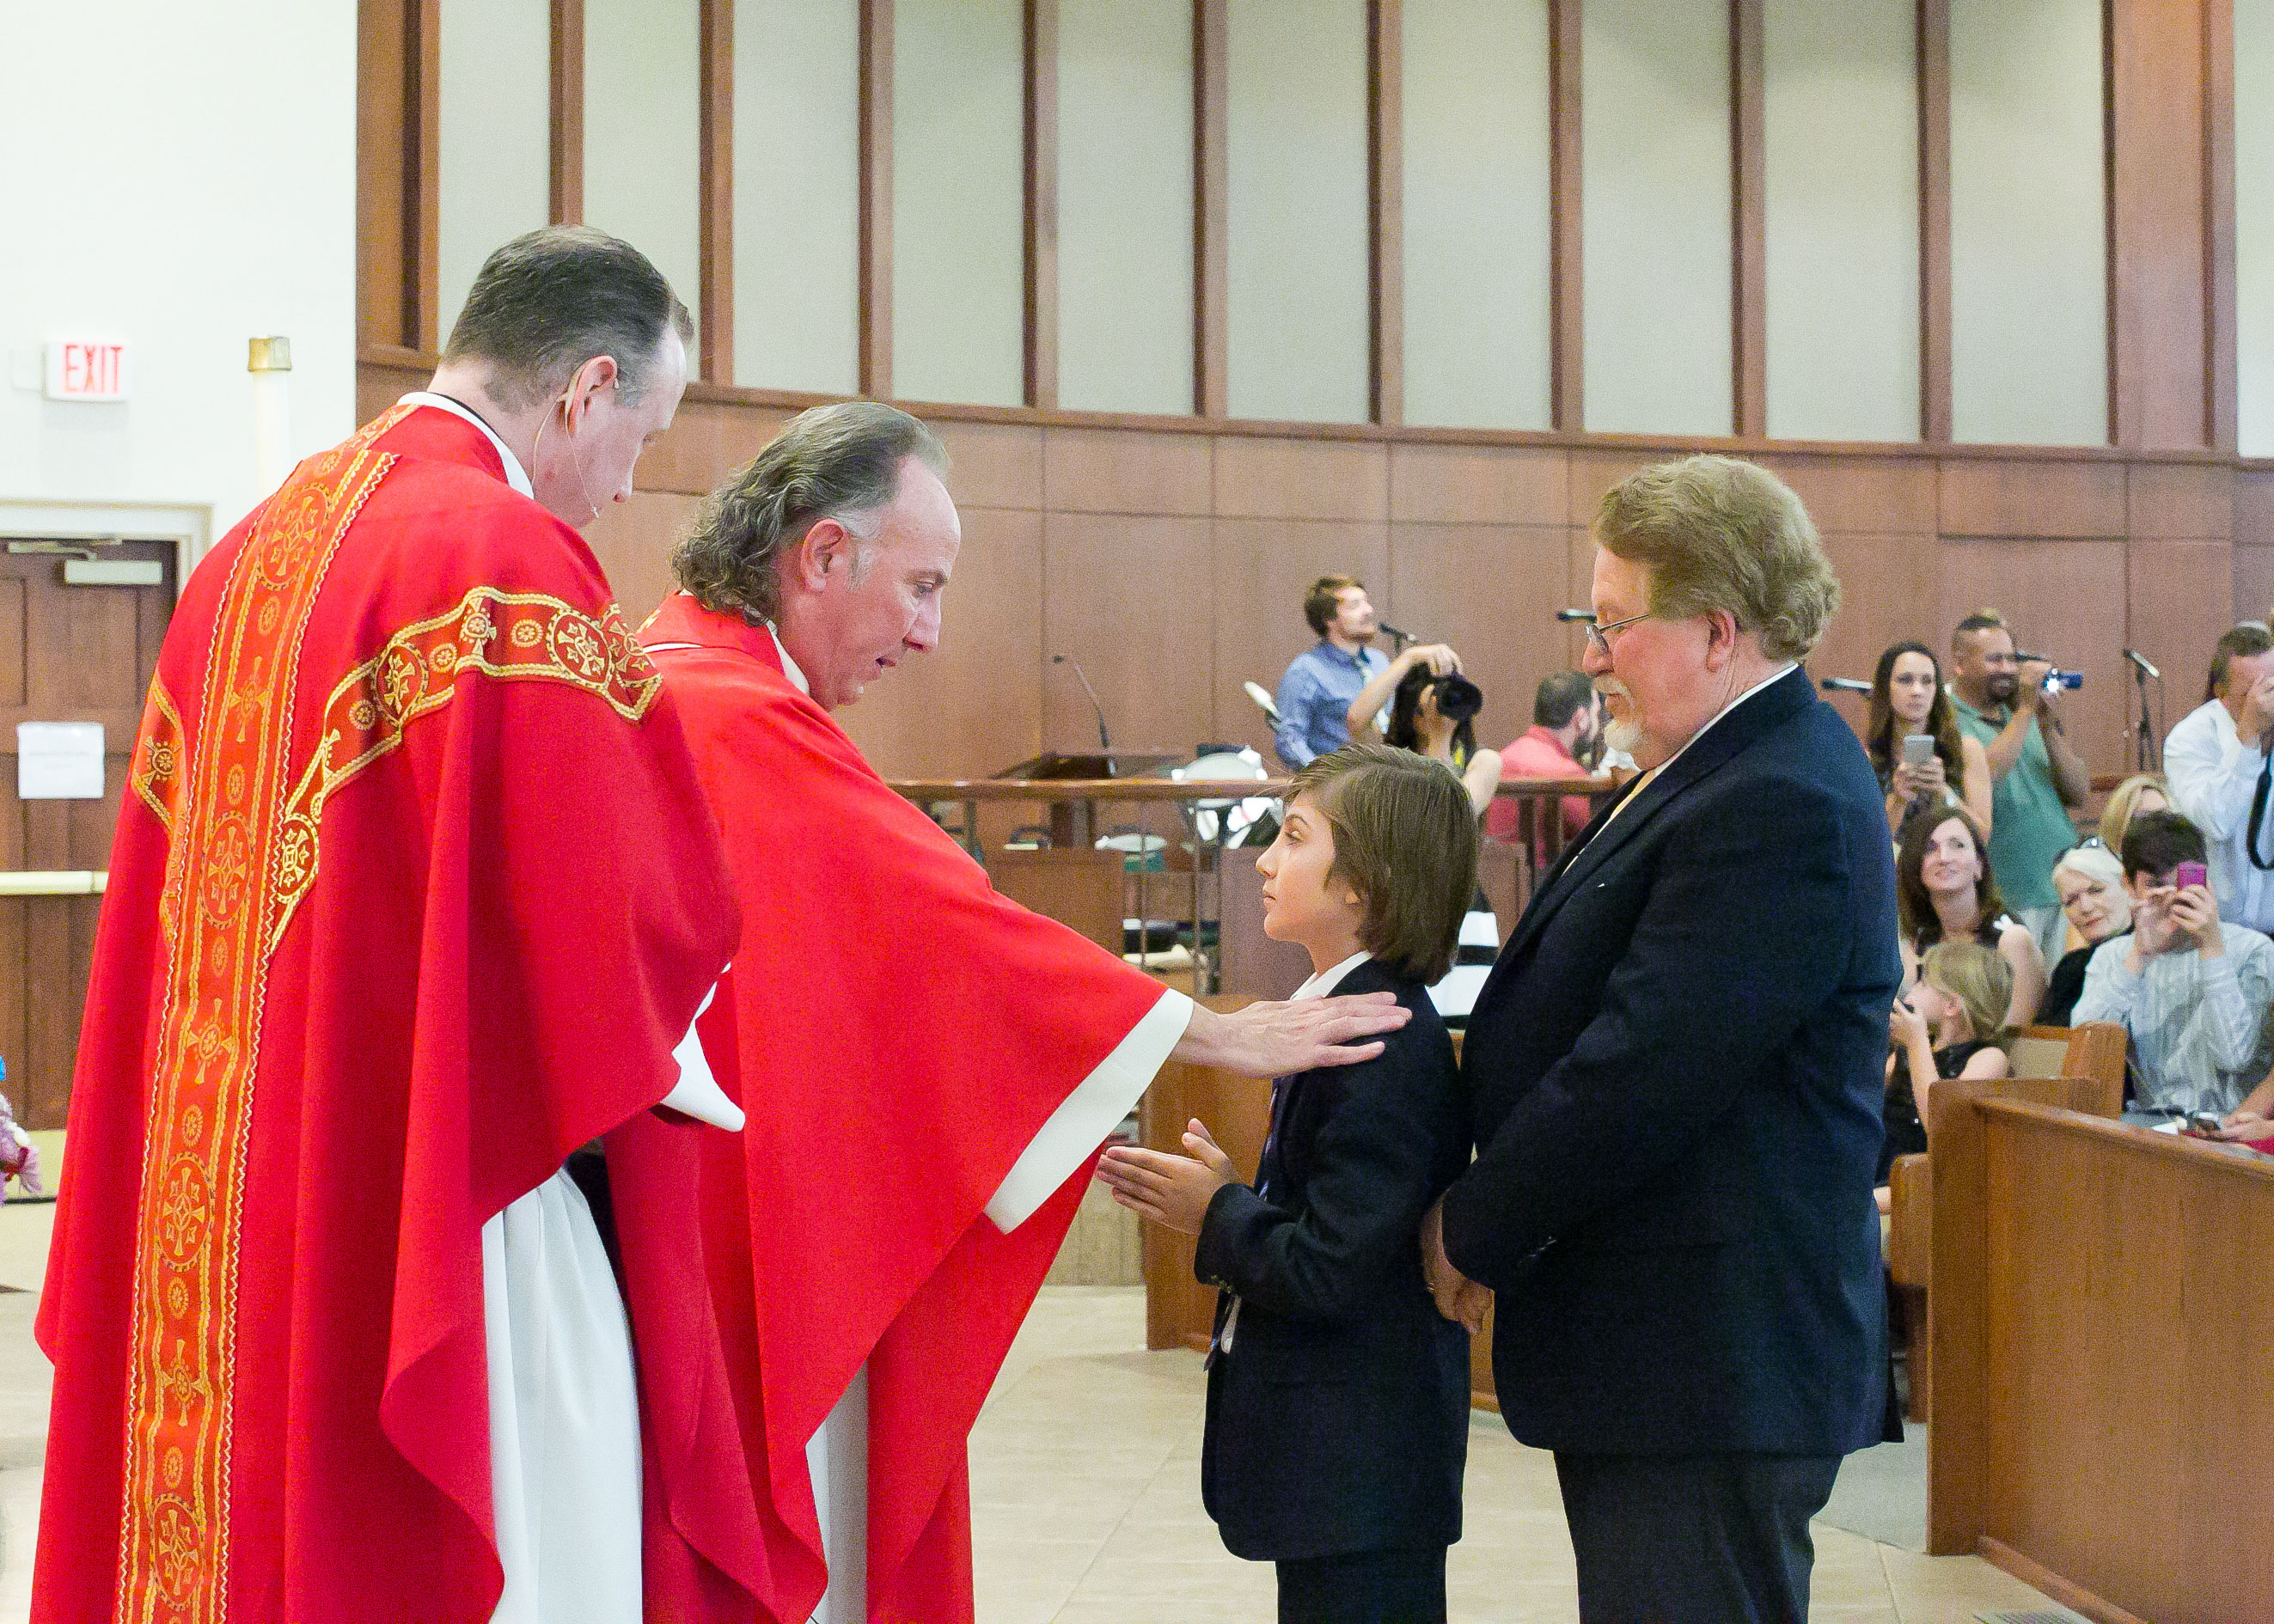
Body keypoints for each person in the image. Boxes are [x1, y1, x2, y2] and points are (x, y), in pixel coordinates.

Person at [34, 226, 767, 1621]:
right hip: (439, 1176)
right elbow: (625, 909)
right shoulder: (498, 556)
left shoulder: (249, 552)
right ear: (587, 390)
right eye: (641, 439)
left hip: (241, 1179)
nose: (625, 487)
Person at [637, 402, 1415, 1624]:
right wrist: (1203, 1029)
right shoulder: (732, 713)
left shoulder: (690, 675)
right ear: (824, 555)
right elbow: (946, 927)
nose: (934, 634)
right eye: (924, 586)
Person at [1417, 455, 1898, 1624]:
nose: (1591, 653)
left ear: (1716, 630)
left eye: (1615, 623)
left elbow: (1641, 1068)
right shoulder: (1725, 763)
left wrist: (1474, 1229)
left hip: (1710, 1357)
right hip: (1671, 1349)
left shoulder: (1777, 796)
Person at [1097, 743, 1476, 1624]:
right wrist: (1240, 1196)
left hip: (1363, 1464)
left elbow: (1333, 1268)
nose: (1265, 859)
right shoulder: (1345, 1012)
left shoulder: (1377, 1040)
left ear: (1363, 884)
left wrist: (1218, 1211)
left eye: (1294, 837)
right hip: (1347, 1468)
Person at [2074, 809, 2274, 1119]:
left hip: (2231, 1131)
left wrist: (2211, 948)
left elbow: (2234, 1058)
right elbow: (2086, 1053)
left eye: (2181, 882)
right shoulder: (2113, 957)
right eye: (2155, 886)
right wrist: (2139, 956)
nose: (2170, 898)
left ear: (2203, 877)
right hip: (2154, 1128)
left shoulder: (2252, 950)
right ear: (2129, 885)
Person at [1947, 612, 2090, 968]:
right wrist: (2026, 710)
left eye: (2012, 658)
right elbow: (1987, 775)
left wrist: (2046, 724)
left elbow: (2078, 793)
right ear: (1961, 664)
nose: (2008, 669)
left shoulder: (2020, 716)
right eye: (1994, 659)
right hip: (2010, 892)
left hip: (2063, 889)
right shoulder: (1947, 718)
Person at [2161, 625, 2274, 936]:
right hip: (2217, 931)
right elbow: (2216, 820)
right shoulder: (2190, 739)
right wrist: (2248, 739)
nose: (2266, 700)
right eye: (2252, 691)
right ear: (2222, 695)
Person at [1895, 807, 2048, 1029]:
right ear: (1915, 868)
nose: (1944, 858)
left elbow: (2016, 1039)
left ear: (1979, 866)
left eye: (1957, 845)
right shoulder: (1918, 943)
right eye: (1930, 849)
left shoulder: (2012, 940)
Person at [1881, 943, 2014, 1187]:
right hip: (1882, 1164)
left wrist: (1916, 1040)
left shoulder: (1989, 1058)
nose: (1909, 995)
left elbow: (1942, 1127)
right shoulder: (1916, 1047)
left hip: (1926, 1181)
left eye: (1922, 984)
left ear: (1951, 1005)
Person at [1866, 639, 1992, 838]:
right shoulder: (1868, 760)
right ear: (1885, 687)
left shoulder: (1966, 749)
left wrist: (1943, 790)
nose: (1917, 691)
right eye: (1905, 680)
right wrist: (1898, 799)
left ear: (1936, 689)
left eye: (1927, 681)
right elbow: (1872, 846)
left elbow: (1981, 836)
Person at [1272, 577, 1393, 768]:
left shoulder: (1380, 662)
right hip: (1340, 785)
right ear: (1329, 619)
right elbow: (1290, 740)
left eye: (1366, 602)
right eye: (1355, 605)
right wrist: (1325, 779)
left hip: (1387, 776)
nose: (1368, 610)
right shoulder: (1306, 670)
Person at [1488, 670, 1601, 846]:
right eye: (1595, 714)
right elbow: (1596, 840)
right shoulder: (1568, 775)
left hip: (1496, 869)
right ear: (1581, 718)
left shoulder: (1500, 759)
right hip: (1545, 873)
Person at [1377, 661, 1502, 815]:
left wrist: (1440, 737)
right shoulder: (1388, 758)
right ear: (1408, 710)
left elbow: (1449, 817)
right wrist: (1410, 657)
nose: (1435, 710)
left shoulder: (1485, 760)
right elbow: (1356, 720)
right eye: (1425, 705)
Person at [2040, 843, 2133, 1025]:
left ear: (2127, 887)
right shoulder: (2070, 971)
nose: (2086, 908)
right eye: (2071, 900)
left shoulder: (2162, 953)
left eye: (2096, 890)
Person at [2096, 772, 2170, 871]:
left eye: (2166, 815)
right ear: (2122, 823)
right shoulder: (2095, 868)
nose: (2161, 824)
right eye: (2147, 818)